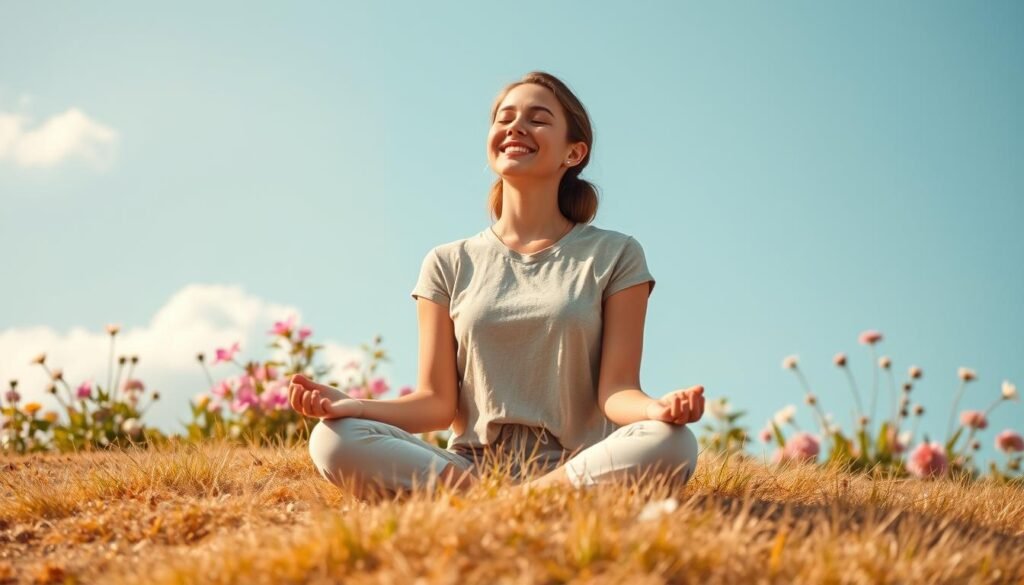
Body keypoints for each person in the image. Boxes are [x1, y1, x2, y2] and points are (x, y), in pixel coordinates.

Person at [289, 71, 706, 501]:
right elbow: (436, 403)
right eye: (504, 118)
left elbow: (617, 391)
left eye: (538, 119)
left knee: (673, 443)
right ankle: (512, 503)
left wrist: (656, 411)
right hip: (467, 469)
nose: (516, 127)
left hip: (577, 464)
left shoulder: (616, 255)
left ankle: (516, 502)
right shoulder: (447, 262)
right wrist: (354, 407)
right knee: (331, 439)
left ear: (573, 153)